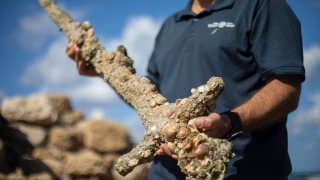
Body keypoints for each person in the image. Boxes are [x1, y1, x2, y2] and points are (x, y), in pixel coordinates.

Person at [66, 0, 305, 179]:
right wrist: (103, 73)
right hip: (163, 174)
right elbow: (148, 100)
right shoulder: (170, 25)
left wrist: (229, 122)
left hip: (242, 171)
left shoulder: (261, 6)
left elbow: (286, 88)